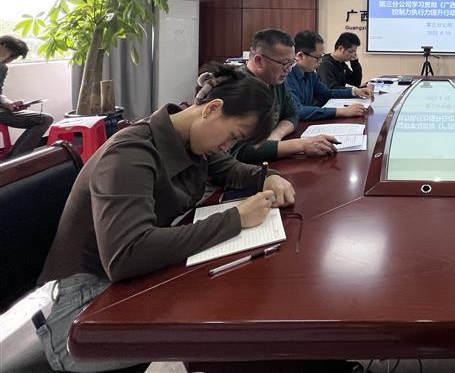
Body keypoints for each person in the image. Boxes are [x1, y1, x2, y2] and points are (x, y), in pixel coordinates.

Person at [35, 64, 296, 372]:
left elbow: (232, 170)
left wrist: (269, 176)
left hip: (128, 282)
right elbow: (127, 255)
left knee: (236, 305)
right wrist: (235, 218)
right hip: (83, 312)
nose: (226, 148)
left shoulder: (186, 138)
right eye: (232, 136)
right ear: (212, 109)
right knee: (230, 331)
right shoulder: (131, 153)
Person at [230, 29, 340, 164]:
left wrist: (276, 136)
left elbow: (293, 114)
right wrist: (301, 145)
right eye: (284, 63)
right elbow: (238, 151)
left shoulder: (275, 79)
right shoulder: (236, 89)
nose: (289, 69)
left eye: (291, 63)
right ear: (259, 61)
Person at [285, 30, 373, 123]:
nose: (320, 61)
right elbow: (298, 110)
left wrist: (355, 92)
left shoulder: (310, 73)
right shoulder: (286, 76)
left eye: (322, 56)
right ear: (300, 56)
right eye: (318, 57)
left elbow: (327, 93)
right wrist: (342, 111)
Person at [0, 34, 53, 160]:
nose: (10, 60)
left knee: (45, 119)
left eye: (14, 58)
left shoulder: (2, 68)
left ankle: (13, 160)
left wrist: (8, 103)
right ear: (3, 46)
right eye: (12, 55)